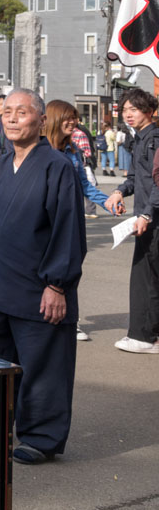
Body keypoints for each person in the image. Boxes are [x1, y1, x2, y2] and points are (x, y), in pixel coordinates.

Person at [0, 89, 86, 464]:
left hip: (41, 286)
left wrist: (58, 285)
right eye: (6, 111)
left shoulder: (57, 167)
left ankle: (41, 436)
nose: (11, 118)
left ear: (40, 121)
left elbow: (68, 230)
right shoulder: (5, 164)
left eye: (21, 112)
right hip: (2, 282)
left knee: (43, 365)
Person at [45, 100, 122, 342]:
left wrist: (107, 201)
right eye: (68, 118)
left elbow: (84, 185)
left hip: (71, 220)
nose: (73, 122)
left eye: (75, 118)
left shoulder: (73, 151)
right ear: (54, 119)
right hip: (45, 221)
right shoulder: (40, 151)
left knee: (69, 268)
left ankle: (70, 319)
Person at [104, 89, 159, 354]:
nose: (128, 114)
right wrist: (118, 191)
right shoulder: (140, 139)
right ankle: (147, 335)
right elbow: (137, 178)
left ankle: (144, 336)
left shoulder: (154, 139)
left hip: (153, 219)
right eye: (125, 109)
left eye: (134, 109)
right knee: (148, 276)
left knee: (146, 278)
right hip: (146, 217)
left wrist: (148, 213)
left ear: (149, 110)